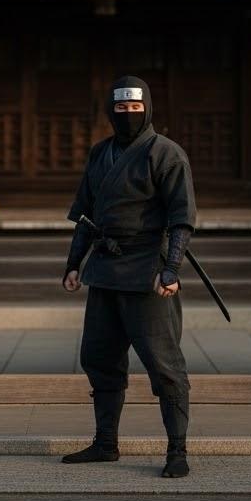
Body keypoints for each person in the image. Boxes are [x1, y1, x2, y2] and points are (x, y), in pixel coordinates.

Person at [59, 74, 197, 478]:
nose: (128, 115)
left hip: (147, 272)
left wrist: (171, 268)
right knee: (99, 358)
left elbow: (181, 219)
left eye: (135, 108)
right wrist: (73, 263)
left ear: (148, 109)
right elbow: (85, 214)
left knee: (164, 364)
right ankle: (105, 444)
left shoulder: (166, 153)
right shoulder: (100, 153)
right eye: (121, 109)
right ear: (110, 111)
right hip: (103, 270)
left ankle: (177, 450)